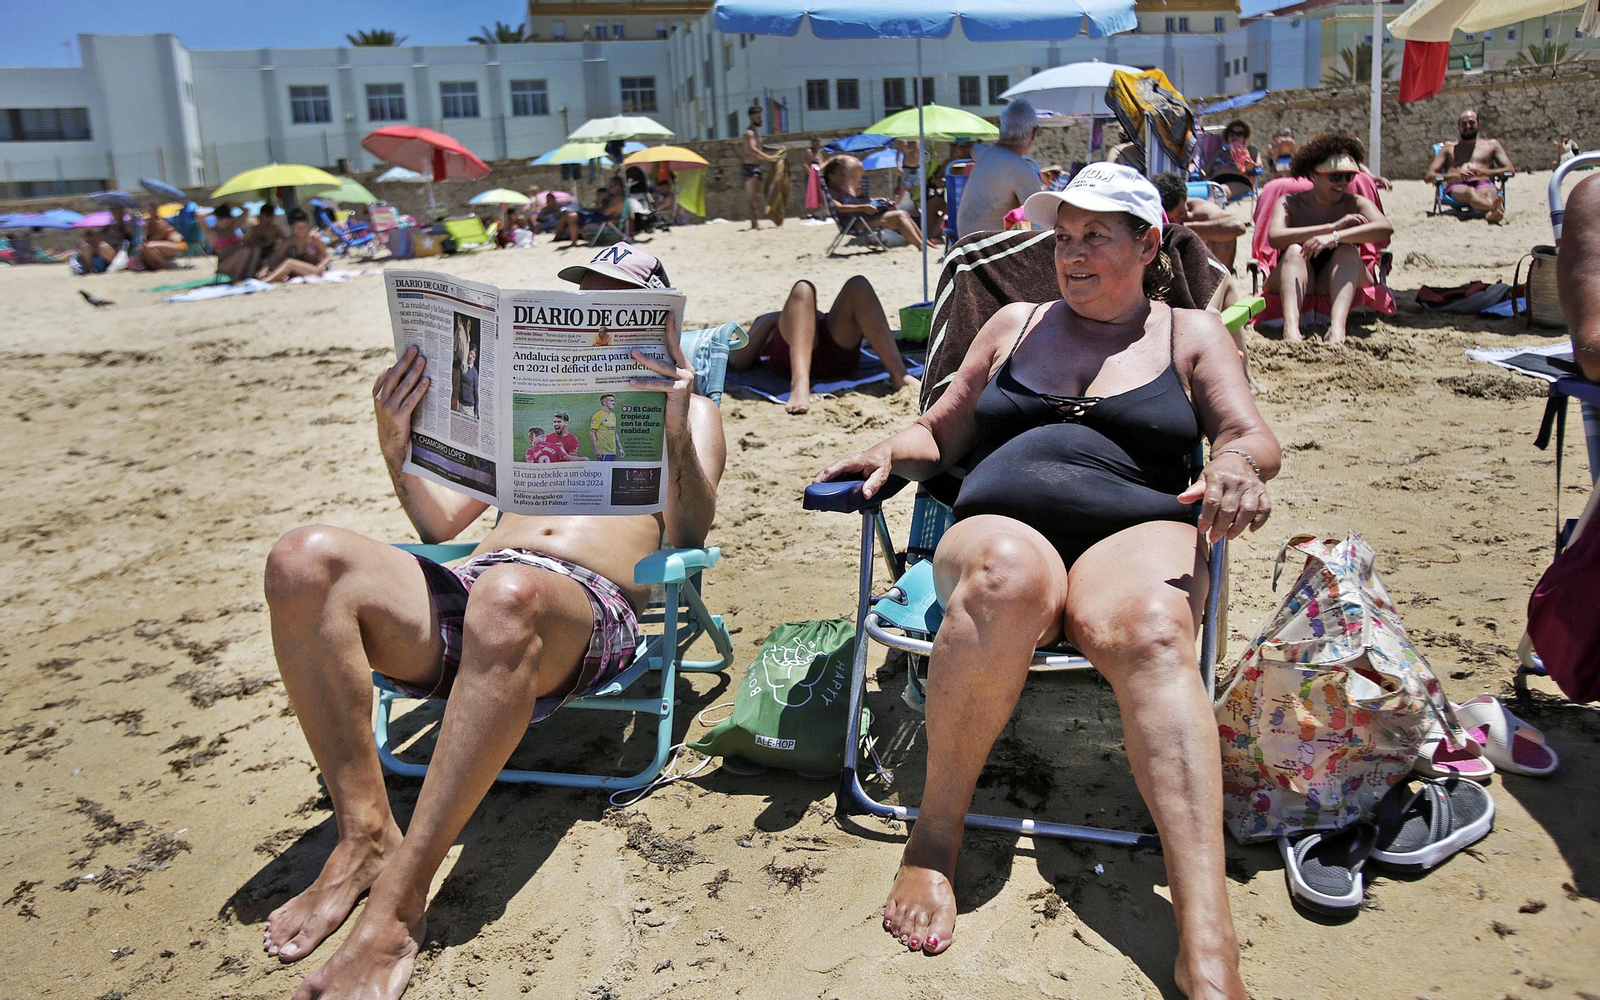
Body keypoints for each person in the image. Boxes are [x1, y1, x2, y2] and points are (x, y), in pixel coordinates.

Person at [813, 164, 1276, 999]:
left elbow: (1248, 431)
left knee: (1153, 627)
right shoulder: (1014, 322)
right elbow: (942, 429)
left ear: (1149, 242)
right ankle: (934, 839)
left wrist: (1238, 462)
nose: (1073, 252)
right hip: (1001, 527)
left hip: (1134, 533)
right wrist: (894, 446)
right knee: (1007, 577)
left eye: (1097, 234)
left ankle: (1208, 940)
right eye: (1063, 237)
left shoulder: (1190, 332)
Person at [261, 243, 724, 999]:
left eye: (614, 304)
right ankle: (364, 836)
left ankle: (400, 906)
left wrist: (673, 424)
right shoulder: (524, 405)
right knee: (302, 560)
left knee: (509, 594)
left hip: (582, 607)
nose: (591, 315)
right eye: (583, 299)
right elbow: (441, 522)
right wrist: (395, 445)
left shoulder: (694, 411)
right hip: (480, 583)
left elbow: (689, 537)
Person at [1266, 133, 1394, 344]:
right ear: (1313, 175)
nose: (1343, 183)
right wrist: (1329, 227)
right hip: (1298, 274)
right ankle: (1291, 330)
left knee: (1347, 251)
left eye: (1348, 177)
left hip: (1339, 275)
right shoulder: (1290, 203)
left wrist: (1335, 237)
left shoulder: (1355, 203)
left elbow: (1384, 228)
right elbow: (1275, 238)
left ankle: (1337, 329)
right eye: (1335, 177)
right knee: (1294, 251)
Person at [732, 275, 922, 415]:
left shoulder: (818, 323)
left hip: (836, 352)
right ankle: (800, 383)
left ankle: (899, 375)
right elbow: (738, 361)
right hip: (795, 359)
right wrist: (771, 319)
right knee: (803, 288)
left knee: (858, 284)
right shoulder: (771, 322)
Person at [956, 98, 1044, 237]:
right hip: (988, 250)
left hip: (964, 243)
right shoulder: (1021, 170)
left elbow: (975, 149)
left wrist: (970, 147)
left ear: (1001, 128)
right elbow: (1040, 220)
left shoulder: (984, 153)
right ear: (1033, 133)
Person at [1424, 108, 1513, 223]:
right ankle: (1494, 208)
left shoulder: (1492, 145)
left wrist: (1485, 172)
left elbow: (1510, 169)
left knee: (1490, 192)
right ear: (1458, 126)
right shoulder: (1449, 148)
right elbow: (1428, 176)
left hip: (1483, 183)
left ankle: (1492, 211)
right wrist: (1455, 175)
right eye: (1464, 123)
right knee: (1470, 192)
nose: (1468, 126)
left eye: (1471, 122)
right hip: (1457, 185)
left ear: (1479, 123)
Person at [823, 157, 925, 250]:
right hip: (854, 222)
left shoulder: (843, 190)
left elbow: (857, 203)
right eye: (841, 174)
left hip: (862, 217)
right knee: (899, 216)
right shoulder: (832, 192)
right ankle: (921, 245)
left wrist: (876, 200)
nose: (844, 176)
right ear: (831, 176)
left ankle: (923, 242)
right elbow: (839, 208)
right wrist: (863, 207)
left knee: (903, 214)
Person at [1153, 173, 1248, 271]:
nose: (1176, 221)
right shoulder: (1151, 214)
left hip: (1202, 271)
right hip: (1164, 271)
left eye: (1180, 214)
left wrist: (1185, 229)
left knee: (1225, 233)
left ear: (1186, 199)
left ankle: (1219, 283)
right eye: (1170, 219)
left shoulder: (1197, 209)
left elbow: (1238, 226)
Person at [740, 104, 785, 231]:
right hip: (750, 167)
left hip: (757, 167)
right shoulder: (749, 133)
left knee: (757, 196)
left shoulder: (756, 133)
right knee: (753, 197)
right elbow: (753, 149)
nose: (761, 119)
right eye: (758, 117)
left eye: (761, 117)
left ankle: (755, 222)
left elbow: (761, 147)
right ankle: (754, 223)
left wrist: (776, 149)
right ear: (751, 117)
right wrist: (768, 158)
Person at [258, 209, 331, 284]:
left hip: (315, 268)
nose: (302, 230)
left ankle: (265, 281)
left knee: (289, 263)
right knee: (278, 263)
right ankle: (274, 277)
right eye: (299, 228)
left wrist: (322, 265)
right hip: (299, 270)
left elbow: (327, 257)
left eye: (304, 227)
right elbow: (277, 255)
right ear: (293, 227)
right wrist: (265, 268)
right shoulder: (291, 240)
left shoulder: (313, 239)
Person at [1203, 120, 1261, 201]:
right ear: (1227, 136)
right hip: (1216, 182)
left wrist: (1250, 165)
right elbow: (1206, 171)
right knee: (1205, 192)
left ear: (1245, 137)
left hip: (1238, 181)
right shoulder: (1219, 153)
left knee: (1217, 192)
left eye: (1240, 134)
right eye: (1231, 133)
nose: (1235, 136)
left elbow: (1259, 165)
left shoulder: (1251, 150)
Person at [138, 206, 187, 271]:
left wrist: (146, 241)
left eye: (153, 210)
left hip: (178, 244)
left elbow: (158, 237)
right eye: (150, 210)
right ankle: (157, 267)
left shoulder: (160, 222)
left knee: (148, 246)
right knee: (145, 249)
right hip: (165, 245)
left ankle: (167, 266)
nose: (151, 212)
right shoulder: (151, 223)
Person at [590, 393, 623, 460]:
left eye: (613, 401)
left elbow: (615, 432)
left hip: (613, 452)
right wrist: (596, 449)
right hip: (603, 452)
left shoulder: (613, 415)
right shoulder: (597, 416)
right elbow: (592, 433)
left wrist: (620, 448)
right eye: (611, 401)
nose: (614, 403)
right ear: (604, 403)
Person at [458, 347, 480, 418]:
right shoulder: (462, 366)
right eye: (471, 354)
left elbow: (476, 393)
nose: (471, 357)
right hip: (460, 404)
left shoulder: (474, 372)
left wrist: (476, 411)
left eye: (473, 356)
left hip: (469, 407)